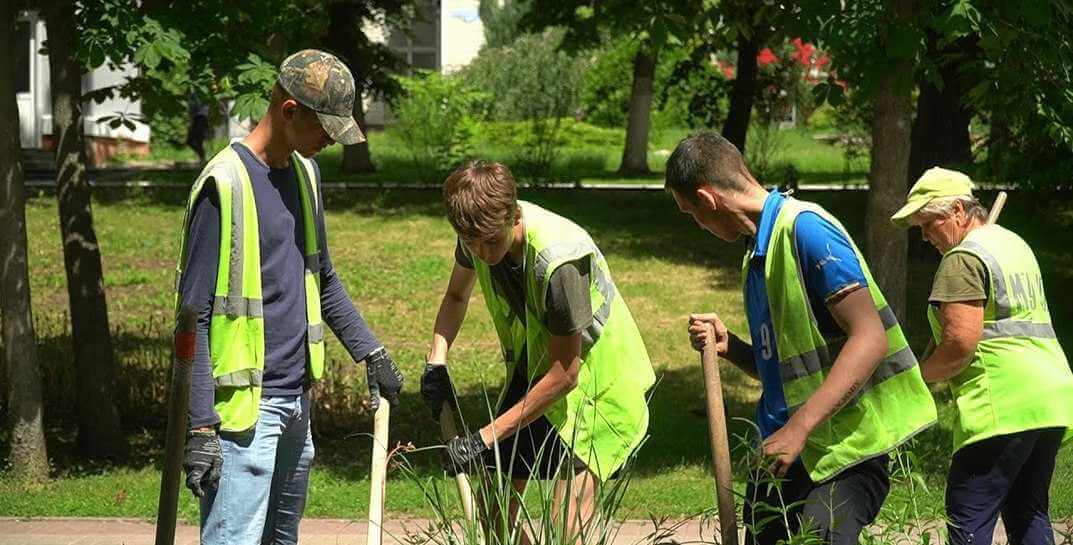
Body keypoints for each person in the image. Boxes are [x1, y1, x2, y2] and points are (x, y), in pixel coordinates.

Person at [174, 49, 404, 545]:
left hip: (297, 404)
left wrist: (371, 351)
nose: (329, 142)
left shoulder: (306, 175)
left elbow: (321, 278)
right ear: (290, 111)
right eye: (324, 128)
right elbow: (194, 318)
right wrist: (200, 428)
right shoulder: (224, 184)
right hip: (243, 417)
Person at [667, 131, 937, 545]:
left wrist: (800, 428)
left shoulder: (807, 231)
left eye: (691, 213)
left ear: (708, 199)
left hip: (841, 453)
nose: (697, 224)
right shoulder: (759, 252)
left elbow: (870, 338)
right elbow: (789, 370)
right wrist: (732, 348)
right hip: (782, 454)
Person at [420, 161, 655, 543]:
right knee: (493, 510)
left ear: (514, 215)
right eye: (471, 243)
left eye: (491, 242)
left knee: (567, 524)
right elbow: (456, 295)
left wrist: (484, 438)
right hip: (538, 372)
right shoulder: (477, 234)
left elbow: (566, 375)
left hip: (597, 387)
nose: (481, 253)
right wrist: (437, 361)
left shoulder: (559, 261)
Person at [891, 167, 1073, 545]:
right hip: (1049, 399)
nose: (924, 236)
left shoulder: (961, 259)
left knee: (968, 517)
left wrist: (914, 377)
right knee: (1028, 513)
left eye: (928, 222)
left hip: (1000, 405)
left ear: (958, 210)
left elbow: (958, 346)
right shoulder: (1012, 243)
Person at [186, 94, 210, 165]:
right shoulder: (192, 95)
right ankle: (202, 158)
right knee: (190, 141)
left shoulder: (201, 95)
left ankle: (202, 159)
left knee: (199, 141)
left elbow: (199, 109)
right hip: (196, 119)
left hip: (201, 119)